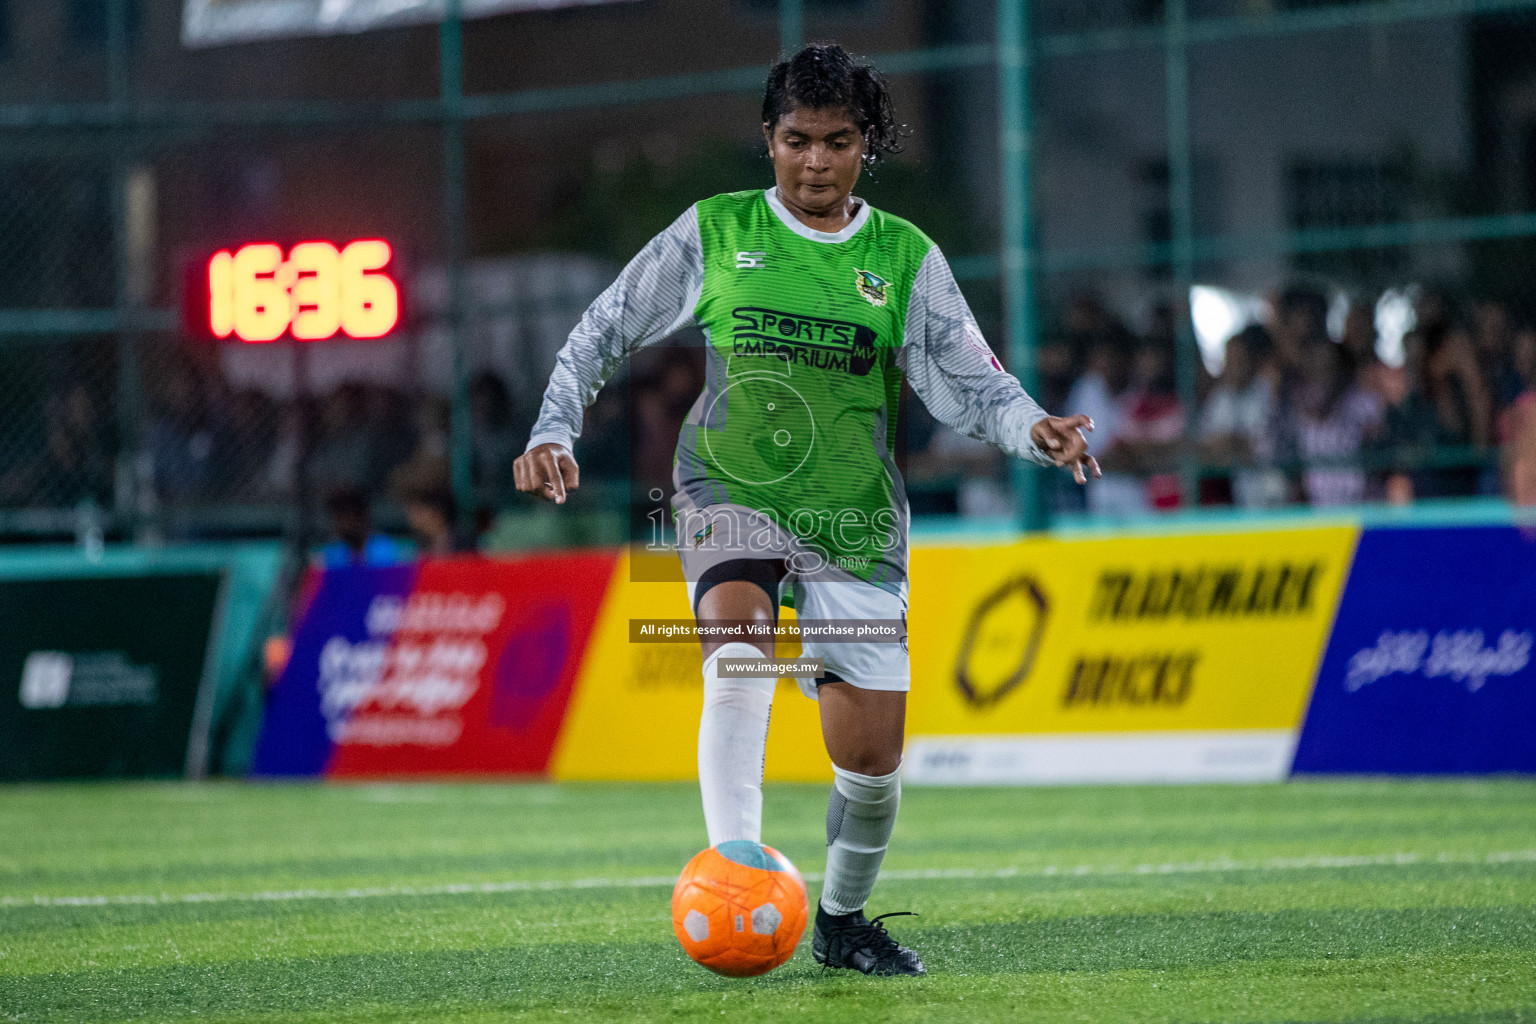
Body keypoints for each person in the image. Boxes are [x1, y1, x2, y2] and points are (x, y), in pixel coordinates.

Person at [513, 44, 1098, 977]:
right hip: (724, 489)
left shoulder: (904, 257)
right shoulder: (716, 231)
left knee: (870, 772)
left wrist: (1036, 430)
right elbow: (604, 328)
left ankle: (839, 919)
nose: (816, 163)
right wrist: (555, 427)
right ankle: (734, 876)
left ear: (867, 145)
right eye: (796, 141)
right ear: (768, 140)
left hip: (853, 520)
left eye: (837, 142)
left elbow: (972, 384)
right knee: (737, 643)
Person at [319, 486, 405, 568]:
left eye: (348, 516)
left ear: (363, 516)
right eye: (338, 518)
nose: (343, 524)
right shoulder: (332, 554)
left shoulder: (387, 549)